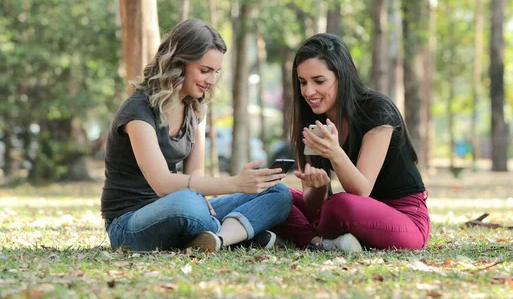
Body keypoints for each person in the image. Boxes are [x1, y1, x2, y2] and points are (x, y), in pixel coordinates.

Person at [101, 18, 292, 252]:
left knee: (278, 193)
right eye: (205, 71)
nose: (211, 81)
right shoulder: (138, 110)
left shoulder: (195, 108)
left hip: (183, 210)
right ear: (179, 63)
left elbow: (195, 173)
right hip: (130, 223)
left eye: (216, 72)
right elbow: (162, 183)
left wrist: (203, 198)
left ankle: (218, 239)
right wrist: (235, 184)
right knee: (189, 203)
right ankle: (237, 234)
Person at [272, 33, 430, 252]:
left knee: (339, 206)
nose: (308, 92)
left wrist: (335, 153)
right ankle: (322, 242)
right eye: (302, 82)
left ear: (342, 77)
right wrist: (319, 187)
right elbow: (314, 202)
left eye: (319, 81)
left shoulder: (377, 110)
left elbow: (361, 191)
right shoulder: (311, 120)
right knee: (274, 195)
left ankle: (305, 236)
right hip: (347, 214)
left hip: (404, 218)